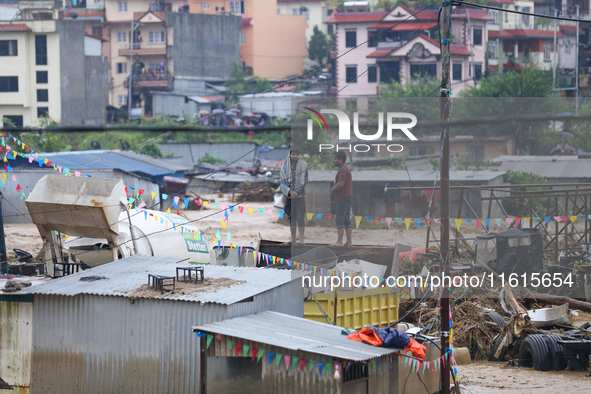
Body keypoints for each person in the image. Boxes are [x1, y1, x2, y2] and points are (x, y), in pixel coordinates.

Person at [280, 148, 308, 245]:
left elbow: (305, 180)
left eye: (297, 154)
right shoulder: (284, 166)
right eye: (294, 154)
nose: (296, 156)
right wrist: (290, 192)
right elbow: (282, 182)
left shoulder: (304, 165)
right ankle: (293, 239)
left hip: (300, 197)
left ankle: (301, 240)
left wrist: (296, 192)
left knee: (300, 218)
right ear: (290, 155)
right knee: (291, 218)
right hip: (289, 197)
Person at [331, 151, 353, 246]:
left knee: (339, 219)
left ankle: (339, 241)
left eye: (335, 159)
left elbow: (341, 183)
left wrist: (332, 189)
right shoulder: (344, 168)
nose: (333, 160)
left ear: (340, 160)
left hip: (342, 198)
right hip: (346, 198)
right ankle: (349, 242)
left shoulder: (343, 170)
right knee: (346, 220)